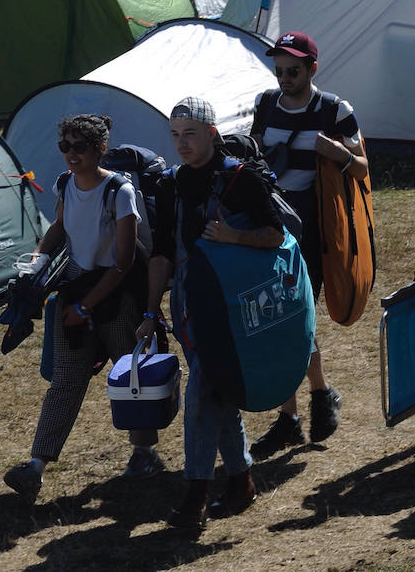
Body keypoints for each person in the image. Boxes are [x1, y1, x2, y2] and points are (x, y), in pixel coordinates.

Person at [138, 97, 285, 530]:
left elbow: (275, 235)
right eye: (175, 135)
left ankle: (194, 494)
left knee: (203, 392)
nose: (182, 144)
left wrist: (234, 236)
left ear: (212, 133)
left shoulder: (242, 178)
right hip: (188, 304)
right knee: (218, 389)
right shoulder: (168, 185)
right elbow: (163, 253)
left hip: (235, 304)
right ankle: (240, 480)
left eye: (190, 134)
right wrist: (151, 311)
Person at [4, 114, 163, 499]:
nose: (71, 155)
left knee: (132, 382)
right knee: (65, 382)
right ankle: (36, 466)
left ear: (99, 149)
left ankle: (144, 453)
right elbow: (60, 227)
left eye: (80, 147)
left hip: (118, 300)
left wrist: (88, 307)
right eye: (65, 147)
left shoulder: (119, 191)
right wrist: (39, 256)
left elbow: (124, 261)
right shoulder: (66, 185)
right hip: (76, 294)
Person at [248, 31, 364, 458]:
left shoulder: (335, 110)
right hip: (270, 223)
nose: (284, 78)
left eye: (293, 71)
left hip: (313, 228)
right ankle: (302, 408)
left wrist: (338, 153)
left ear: (312, 69)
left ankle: (306, 405)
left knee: (296, 318)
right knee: (280, 318)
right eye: (279, 70)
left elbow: (364, 170)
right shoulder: (264, 104)